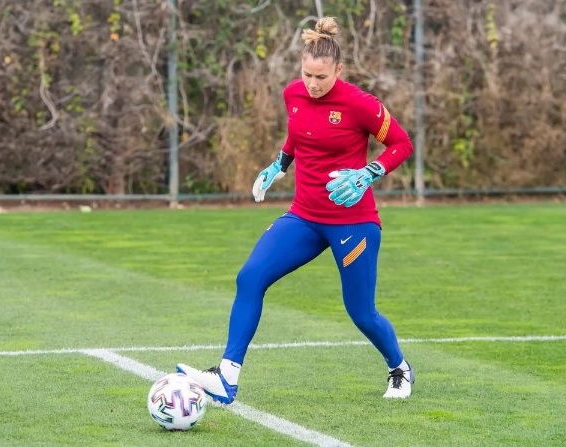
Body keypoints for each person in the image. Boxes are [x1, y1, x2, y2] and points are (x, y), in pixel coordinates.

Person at [176, 16, 415, 402]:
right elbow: (298, 132)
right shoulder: (293, 95)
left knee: (361, 311)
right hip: (304, 216)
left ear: (339, 69)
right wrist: (279, 165)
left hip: (353, 223)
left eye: (321, 77)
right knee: (250, 277)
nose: (312, 84)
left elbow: (402, 144)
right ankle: (226, 375)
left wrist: (368, 173)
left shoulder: (361, 105)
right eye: (307, 75)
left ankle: (399, 369)